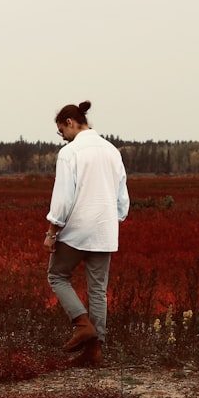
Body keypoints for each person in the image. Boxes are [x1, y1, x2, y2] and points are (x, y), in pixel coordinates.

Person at [44, 101, 130, 367]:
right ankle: (94, 351)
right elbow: (122, 199)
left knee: (57, 275)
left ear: (70, 122)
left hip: (76, 230)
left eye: (62, 131)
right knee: (98, 291)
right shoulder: (112, 151)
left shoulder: (70, 153)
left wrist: (52, 230)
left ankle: (82, 324)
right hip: (104, 231)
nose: (63, 137)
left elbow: (63, 197)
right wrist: (109, 220)